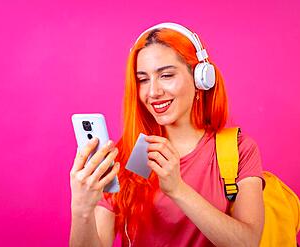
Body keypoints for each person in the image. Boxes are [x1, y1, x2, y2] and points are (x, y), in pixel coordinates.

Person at [69, 22, 265, 247]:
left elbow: (248, 243)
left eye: (166, 75)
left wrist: (177, 189)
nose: (153, 92)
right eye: (143, 79)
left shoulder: (238, 149)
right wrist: (81, 209)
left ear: (200, 77)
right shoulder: (131, 155)